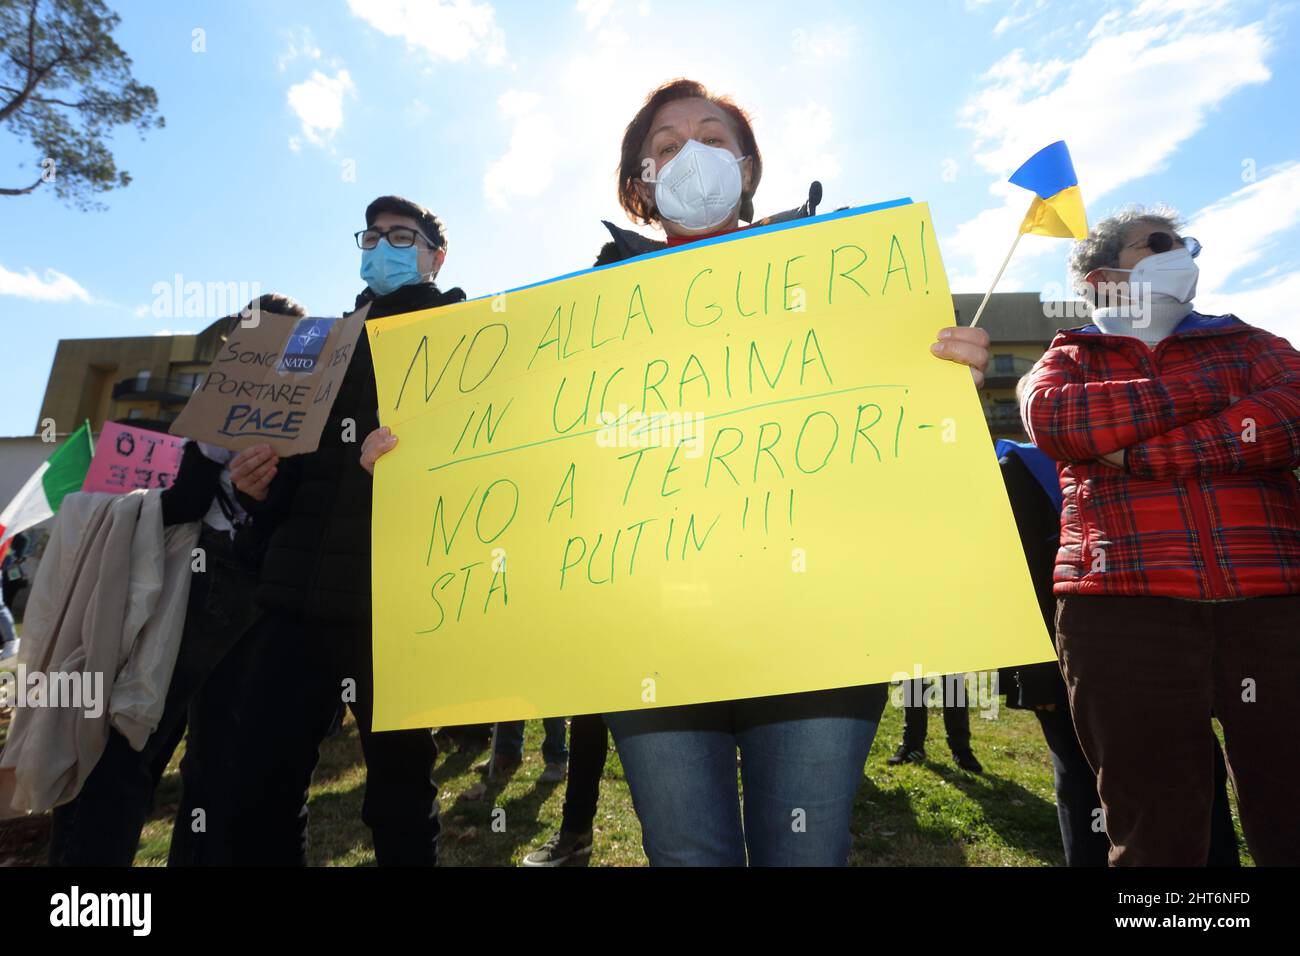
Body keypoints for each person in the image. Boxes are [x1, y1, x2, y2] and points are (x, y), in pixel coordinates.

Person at [360, 81, 989, 867]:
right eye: (663, 146)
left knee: (806, 853)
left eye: (712, 137)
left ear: (749, 166)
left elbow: (893, 425)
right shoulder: (583, 309)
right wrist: (418, 458)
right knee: (687, 853)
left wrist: (941, 384)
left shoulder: (842, 277)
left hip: (818, 631)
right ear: (641, 185)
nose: (689, 154)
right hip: (653, 634)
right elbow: (520, 445)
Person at [1022, 206, 1300, 866]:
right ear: (1103, 278)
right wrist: (1217, 394)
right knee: (1155, 833)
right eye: (1162, 243)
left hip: (1277, 607)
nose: (1186, 252)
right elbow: (1065, 424)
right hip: (1120, 614)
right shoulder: (1065, 358)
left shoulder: (1252, 341)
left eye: (1186, 242)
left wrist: (1143, 454)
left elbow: (1291, 414)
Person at [225, 196, 465, 866]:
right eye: (372, 236)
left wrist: (409, 461)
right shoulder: (317, 347)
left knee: (399, 799)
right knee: (259, 790)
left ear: (434, 257)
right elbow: (291, 487)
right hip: (293, 604)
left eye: (401, 236)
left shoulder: (462, 336)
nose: (382, 247)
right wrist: (259, 488)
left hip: (393, 608)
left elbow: (478, 464)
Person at [45, 295, 297, 866]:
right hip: (234, 592)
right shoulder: (259, 411)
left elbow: (188, 502)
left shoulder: (242, 409)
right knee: (206, 759)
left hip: (206, 591)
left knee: (132, 743)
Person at [996, 429, 1238, 867]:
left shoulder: (1143, 452)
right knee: (1085, 780)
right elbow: (1014, 578)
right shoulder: (1019, 470)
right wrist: (1030, 679)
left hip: (1165, 642)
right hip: (1066, 661)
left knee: (1197, 767)